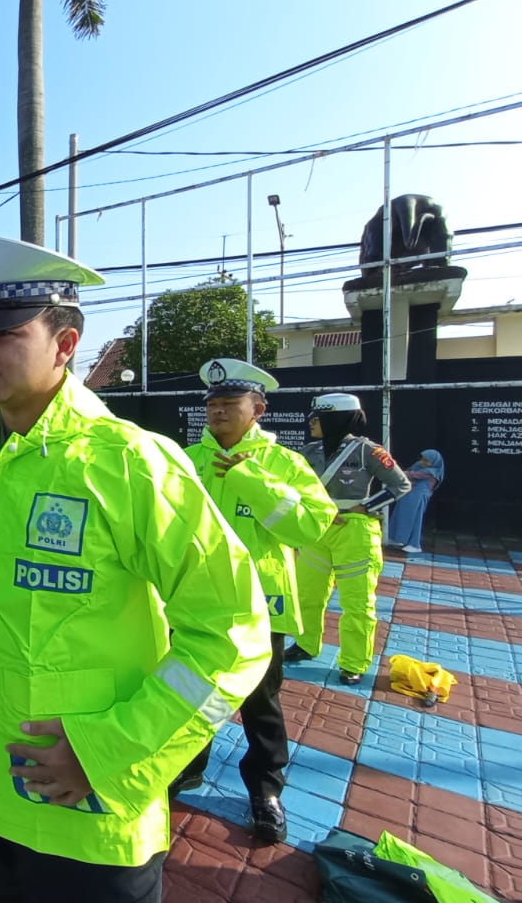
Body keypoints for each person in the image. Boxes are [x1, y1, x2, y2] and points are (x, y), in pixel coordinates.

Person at [0, 236, 271, 903]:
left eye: (5, 334)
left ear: (66, 344)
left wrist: (106, 751)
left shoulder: (133, 464)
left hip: (87, 814)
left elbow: (234, 631)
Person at [172, 359, 337, 843]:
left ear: (258, 408)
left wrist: (250, 481)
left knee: (260, 702)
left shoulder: (284, 464)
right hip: (190, 601)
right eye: (213, 404)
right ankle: (185, 766)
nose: (219, 411)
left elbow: (310, 526)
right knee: (184, 688)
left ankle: (265, 789)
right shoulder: (184, 459)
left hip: (260, 606)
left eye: (231, 403)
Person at [286, 393, 411, 686]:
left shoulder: (368, 450)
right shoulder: (308, 451)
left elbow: (400, 484)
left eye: (317, 418)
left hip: (355, 531)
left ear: (335, 419)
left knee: (357, 603)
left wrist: (364, 507)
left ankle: (353, 662)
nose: (311, 422)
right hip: (317, 530)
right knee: (306, 594)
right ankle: (305, 644)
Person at [385, 450, 444, 554]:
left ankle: (414, 544)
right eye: (422, 459)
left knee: (415, 519)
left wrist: (393, 469)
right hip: (407, 494)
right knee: (400, 515)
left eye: (427, 461)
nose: (423, 462)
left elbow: (412, 474)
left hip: (418, 497)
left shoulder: (433, 472)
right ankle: (396, 538)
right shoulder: (418, 465)